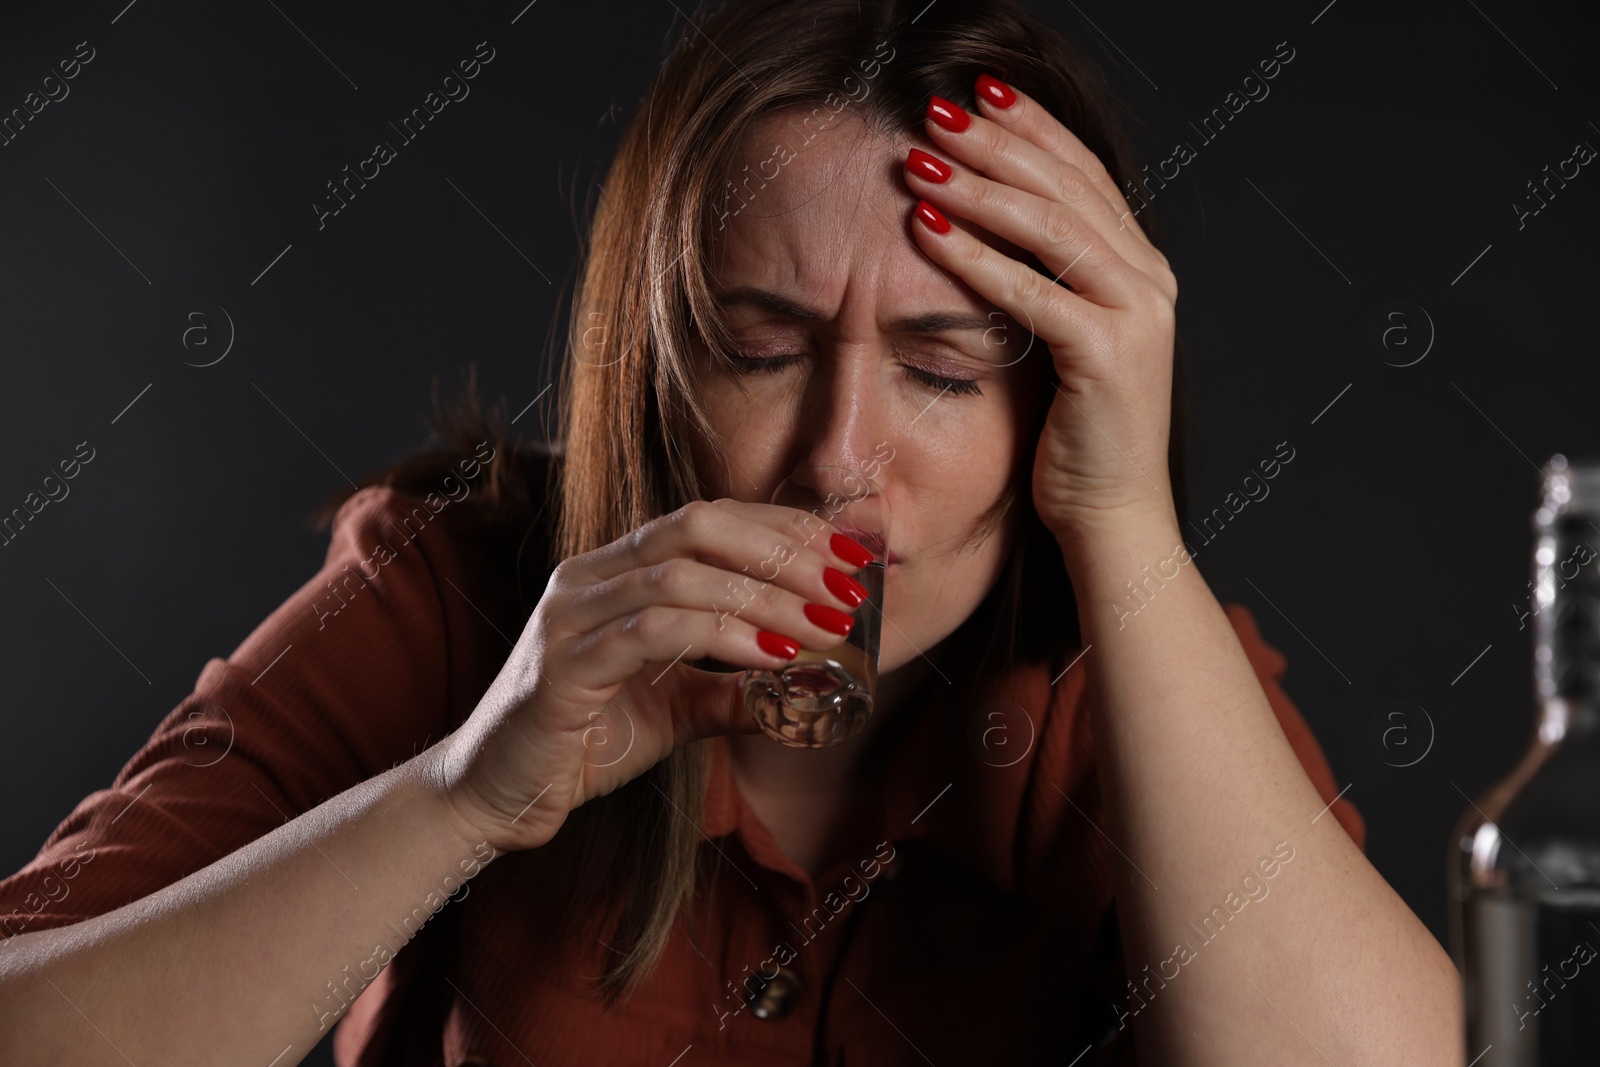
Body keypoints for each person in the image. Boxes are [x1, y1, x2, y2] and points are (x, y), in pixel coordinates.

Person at [0, 0, 1462, 1063]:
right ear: (652, 369)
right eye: (760, 351)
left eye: (946, 372)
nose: (836, 461)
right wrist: (463, 795)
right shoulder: (458, 585)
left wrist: (1127, 520)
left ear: (1056, 413)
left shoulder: (1126, 675)